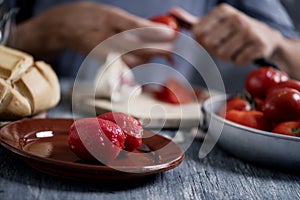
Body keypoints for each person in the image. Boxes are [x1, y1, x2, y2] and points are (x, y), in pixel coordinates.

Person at [4, 0, 300, 93]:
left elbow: (295, 57)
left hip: (165, 128)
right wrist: (46, 32)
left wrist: (274, 43)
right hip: (35, 119)